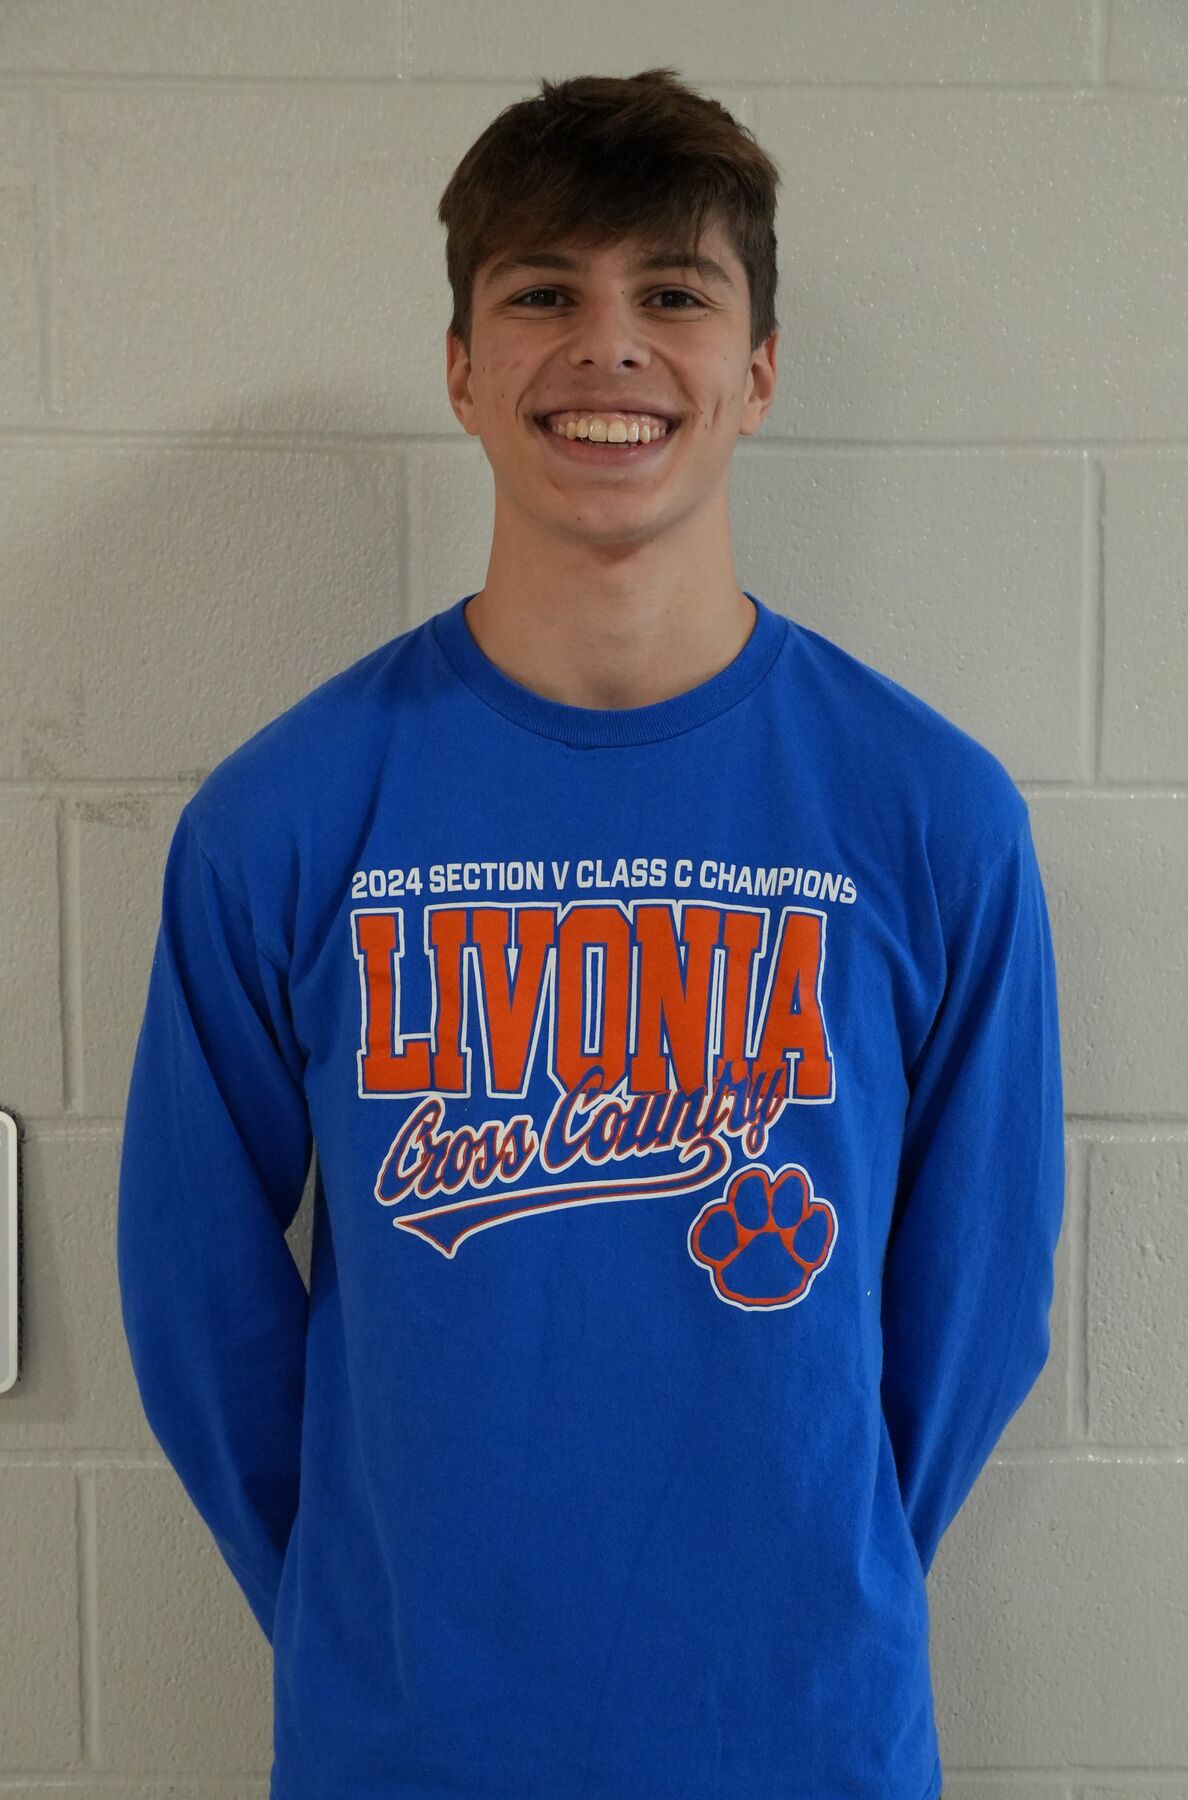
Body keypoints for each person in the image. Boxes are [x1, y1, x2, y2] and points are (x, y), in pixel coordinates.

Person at [116, 66, 1064, 1800]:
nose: (608, 345)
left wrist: (801, 1585)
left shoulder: (930, 814)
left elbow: (978, 1311)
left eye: (674, 294)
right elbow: (195, 1308)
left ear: (758, 370)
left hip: (805, 1741)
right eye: (543, 291)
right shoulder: (288, 814)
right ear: (463, 367)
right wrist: (369, 1611)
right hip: (408, 1747)